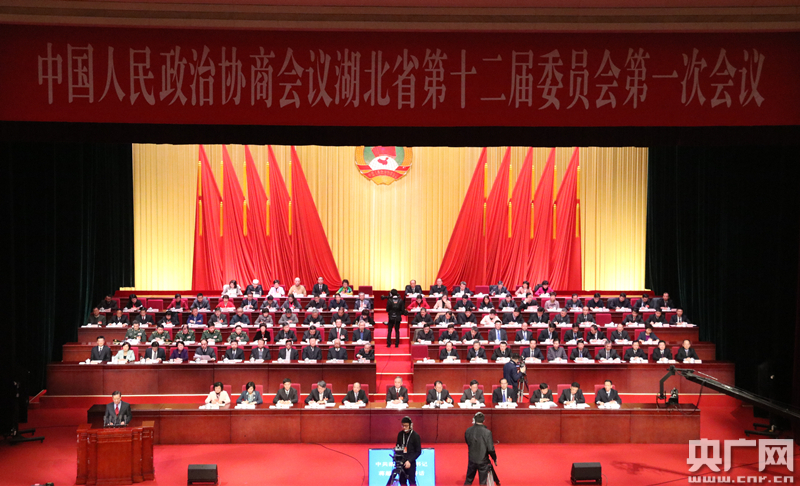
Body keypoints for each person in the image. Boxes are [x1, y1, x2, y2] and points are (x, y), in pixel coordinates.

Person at [464, 411, 497, 486]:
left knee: (468, 480)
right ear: (484, 420)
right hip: (483, 460)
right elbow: (490, 449)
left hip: (472, 459)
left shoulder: (468, 430)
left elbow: (467, 442)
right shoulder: (487, 432)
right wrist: (494, 458)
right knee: (483, 482)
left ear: (474, 420)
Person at [396, 417, 421, 486]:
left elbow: (418, 451)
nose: (404, 427)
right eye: (403, 426)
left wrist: (409, 461)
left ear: (410, 425)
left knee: (412, 481)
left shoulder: (415, 436)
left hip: (411, 462)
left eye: (406, 426)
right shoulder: (400, 434)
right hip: (402, 462)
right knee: (402, 482)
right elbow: (398, 447)